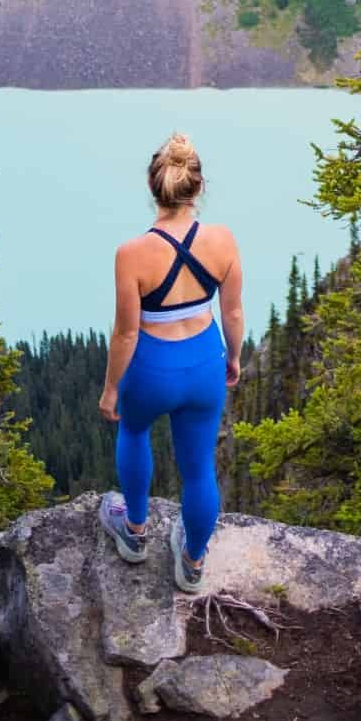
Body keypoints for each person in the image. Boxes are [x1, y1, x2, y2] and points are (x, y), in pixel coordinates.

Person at [98, 132, 244, 592]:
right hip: (204, 363)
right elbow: (233, 312)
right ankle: (192, 562)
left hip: (151, 367)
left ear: (152, 188)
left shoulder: (131, 254)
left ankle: (135, 532)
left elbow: (126, 332)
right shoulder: (222, 241)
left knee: (135, 430)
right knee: (199, 467)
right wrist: (234, 357)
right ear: (198, 189)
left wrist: (110, 389)